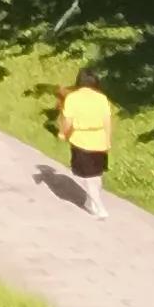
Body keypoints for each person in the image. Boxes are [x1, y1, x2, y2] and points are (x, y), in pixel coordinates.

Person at [56, 68, 114, 210]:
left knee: (87, 177)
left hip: (81, 140)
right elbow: (107, 121)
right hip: (99, 141)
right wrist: (107, 140)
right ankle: (91, 202)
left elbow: (68, 121)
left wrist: (63, 133)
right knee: (96, 175)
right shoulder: (101, 98)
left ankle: (99, 206)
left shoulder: (73, 98)